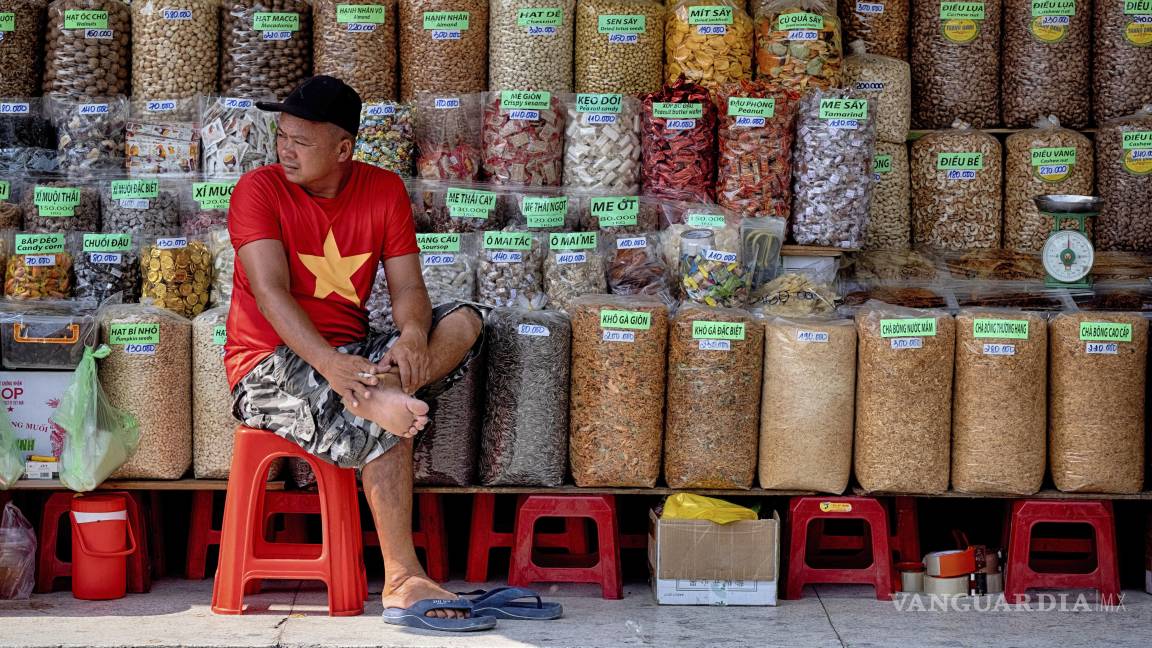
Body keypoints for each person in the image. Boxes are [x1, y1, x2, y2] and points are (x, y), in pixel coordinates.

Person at [223, 75, 491, 631]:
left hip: (358, 356)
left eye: (301, 141)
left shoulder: (382, 189)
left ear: (344, 149)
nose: (285, 150)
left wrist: (413, 334)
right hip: (268, 363)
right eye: (282, 137)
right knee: (384, 422)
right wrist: (332, 365)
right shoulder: (259, 189)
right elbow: (270, 293)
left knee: (463, 320)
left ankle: (384, 392)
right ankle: (401, 579)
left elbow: (409, 290)